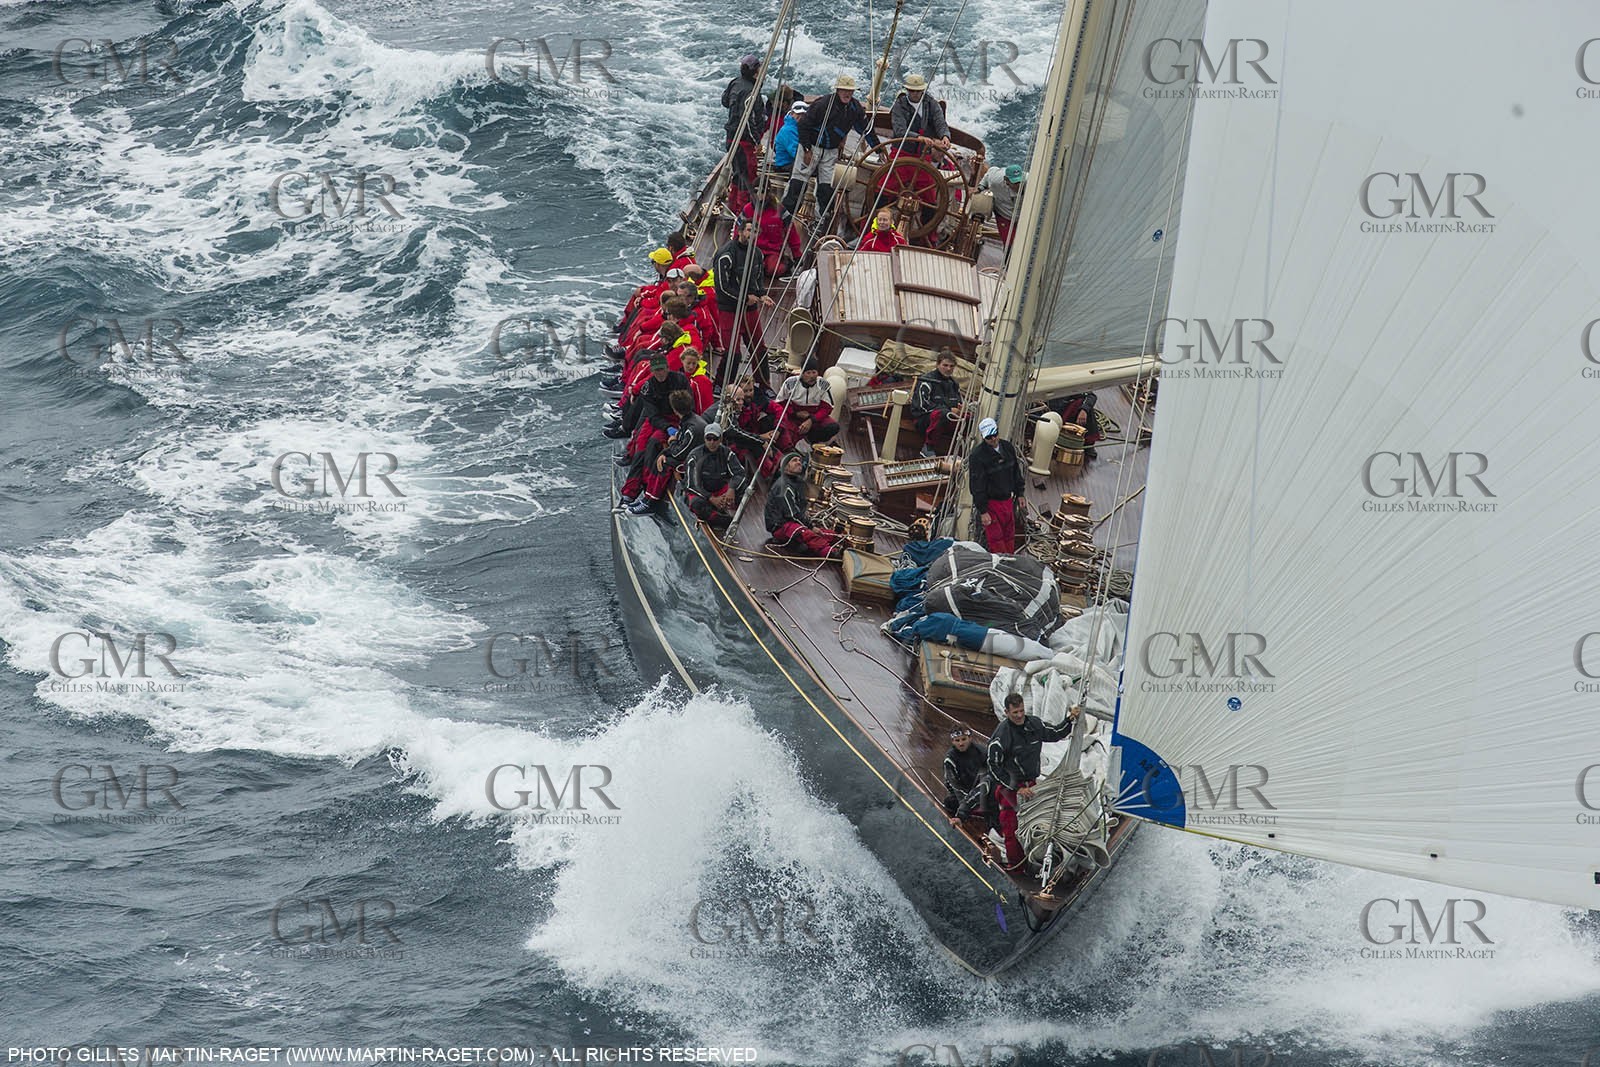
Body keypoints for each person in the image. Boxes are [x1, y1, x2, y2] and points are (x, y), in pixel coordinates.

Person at [987, 693, 1075, 871]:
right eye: (1014, 713)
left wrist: (1071, 719)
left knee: (1035, 824)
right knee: (1012, 829)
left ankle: (1036, 858)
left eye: (1021, 711)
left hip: (1032, 785)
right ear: (1006, 712)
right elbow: (993, 766)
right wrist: (1016, 789)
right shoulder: (1001, 736)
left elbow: (1055, 734)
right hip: (1010, 790)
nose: (1019, 716)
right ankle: (1017, 867)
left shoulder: (1034, 724)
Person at [783, 74, 880, 228]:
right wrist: (807, 150)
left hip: (830, 151)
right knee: (798, 184)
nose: (847, 94)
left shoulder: (855, 109)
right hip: (811, 147)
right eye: (844, 90)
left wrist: (878, 149)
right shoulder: (822, 105)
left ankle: (820, 223)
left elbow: (866, 130)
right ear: (838, 90)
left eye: (850, 91)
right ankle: (784, 218)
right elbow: (803, 126)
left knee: (826, 189)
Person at [623, 389, 700, 511]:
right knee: (660, 457)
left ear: (674, 410)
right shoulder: (689, 420)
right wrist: (664, 453)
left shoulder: (691, 428)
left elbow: (679, 452)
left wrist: (672, 442)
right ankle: (647, 498)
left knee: (664, 464)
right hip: (690, 454)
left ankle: (652, 501)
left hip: (696, 460)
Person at [712, 220, 775, 359]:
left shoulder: (757, 254)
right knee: (732, 356)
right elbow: (722, 287)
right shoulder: (726, 255)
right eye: (749, 230)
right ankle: (725, 381)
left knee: (760, 351)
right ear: (739, 232)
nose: (752, 234)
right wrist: (746, 298)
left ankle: (763, 381)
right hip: (730, 311)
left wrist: (762, 295)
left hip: (750, 310)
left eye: (755, 232)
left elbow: (758, 278)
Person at [763, 451, 844, 557]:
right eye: (794, 460)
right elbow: (792, 514)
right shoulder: (783, 486)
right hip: (780, 526)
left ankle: (841, 540)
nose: (799, 462)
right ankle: (830, 552)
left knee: (823, 532)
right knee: (807, 533)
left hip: (793, 523)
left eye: (799, 460)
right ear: (785, 466)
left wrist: (811, 525)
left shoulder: (796, 482)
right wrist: (810, 526)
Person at [967, 416, 1024, 553]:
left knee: (1009, 536)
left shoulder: (1008, 448)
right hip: (991, 504)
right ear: (984, 437)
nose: (993, 439)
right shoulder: (977, 456)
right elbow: (977, 486)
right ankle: (1001, 564)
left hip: (1007, 501)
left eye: (995, 434)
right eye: (989, 437)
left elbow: (1016, 471)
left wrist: (1020, 493)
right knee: (996, 540)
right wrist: (983, 511)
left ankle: (1009, 560)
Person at [722, 53, 770, 215]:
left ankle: (732, 203)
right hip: (744, 141)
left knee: (738, 172)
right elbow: (747, 121)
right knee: (747, 175)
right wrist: (757, 141)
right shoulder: (752, 92)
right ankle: (742, 211)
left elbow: (725, 101)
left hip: (731, 137)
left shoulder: (734, 83)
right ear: (755, 72)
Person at [710, 376, 781, 479]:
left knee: (773, 440)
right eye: (745, 391)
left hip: (751, 434)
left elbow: (778, 409)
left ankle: (783, 464)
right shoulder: (730, 411)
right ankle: (771, 473)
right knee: (757, 449)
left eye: (751, 390)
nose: (748, 394)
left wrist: (777, 430)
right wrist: (760, 438)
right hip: (737, 440)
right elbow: (737, 433)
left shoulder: (758, 400)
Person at [684, 423, 747, 527]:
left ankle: (725, 507)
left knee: (743, 488)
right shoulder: (694, 457)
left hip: (719, 490)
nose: (712, 442)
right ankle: (717, 518)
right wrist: (711, 498)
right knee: (696, 503)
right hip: (702, 493)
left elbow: (740, 473)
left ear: (720, 439)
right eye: (709, 438)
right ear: (704, 439)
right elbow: (692, 485)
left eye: (715, 438)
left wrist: (731, 489)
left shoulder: (727, 453)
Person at [909, 349, 965, 457]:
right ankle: (928, 447)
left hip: (947, 419)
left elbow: (958, 402)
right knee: (941, 414)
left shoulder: (954, 385)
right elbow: (921, 406)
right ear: (938, 364)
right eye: (945, 365)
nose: (948, 369)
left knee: (968, 416)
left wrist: (960, 409)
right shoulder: (927, 381)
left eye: (951, 366)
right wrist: (949, 410)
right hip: (923, 420)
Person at [775, 364, 840, 450]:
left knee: (833, 427)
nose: (812, 376)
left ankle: (813, 439)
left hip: (814, 416)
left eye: (814, 372)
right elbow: (780, 403)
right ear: (801, 373)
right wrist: (795, 414)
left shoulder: (822, 385)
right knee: (785, 440)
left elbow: (827, 408)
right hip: (793, 417)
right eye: (808, 373)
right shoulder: (790, 383)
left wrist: (811, 420)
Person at [743, 192, 803, 279]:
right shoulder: (747, 209)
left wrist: (796, 254)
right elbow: (739, 231)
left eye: (763, 191)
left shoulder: (780, 210)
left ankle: (785, 263)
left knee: (773, 270)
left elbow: (791, 231)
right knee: (746, 269)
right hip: (751, 250)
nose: (759, 194)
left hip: (772, 250)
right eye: (755, 191)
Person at [889, 74, 950, 154]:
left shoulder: (932, 104)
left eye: (918, 90)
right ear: (907, 90)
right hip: (902, 150)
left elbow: (940, 123)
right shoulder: (899, 106)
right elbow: (900, 130)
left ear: (923, 90)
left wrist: (945, 136)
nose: (915, 93)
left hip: (924, 151)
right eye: (912, 90)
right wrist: (918, 137)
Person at [942, 726, 990, 820]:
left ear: (970, 738)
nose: (961, 743)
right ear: (953, 741)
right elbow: (954, 786)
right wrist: (967, 804)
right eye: (957, 740)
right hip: (964, 793)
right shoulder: (950, 760)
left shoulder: (982, 752)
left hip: (982, 790)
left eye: (964, 739)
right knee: (949, 802)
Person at [980, 164, 1025, 249]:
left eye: (1019, 182)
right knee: (1010, 244)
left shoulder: (1031, 182)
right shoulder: (996, 178)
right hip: (1004, 215)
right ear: (1006, 180)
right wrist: (980, 187)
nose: (1018, 185)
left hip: (1022, 218)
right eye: (1014, 183)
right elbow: (988, 175)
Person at [1054, 391, 1103, 459]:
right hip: (1048, 414)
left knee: (1083, 403)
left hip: (1062, 413)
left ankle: (1089, 442)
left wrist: (1084, 409)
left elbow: (1091, 396)